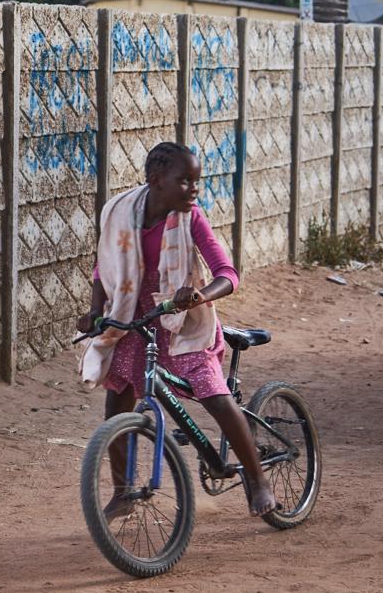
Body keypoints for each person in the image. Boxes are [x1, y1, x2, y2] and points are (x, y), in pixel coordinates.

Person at [75, 141, 278, 518]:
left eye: (196, 180)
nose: (194, 189)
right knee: (116, 399)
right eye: (185, 181)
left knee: (214, 396)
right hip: (135, 318)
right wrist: (94, 311)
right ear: (156, 181)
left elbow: (228, 274)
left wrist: (199, 295)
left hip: (183, 320)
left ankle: (257, 479)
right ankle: (124, 490)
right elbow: (104, 267)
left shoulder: (192, 218)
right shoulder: (120, 212)